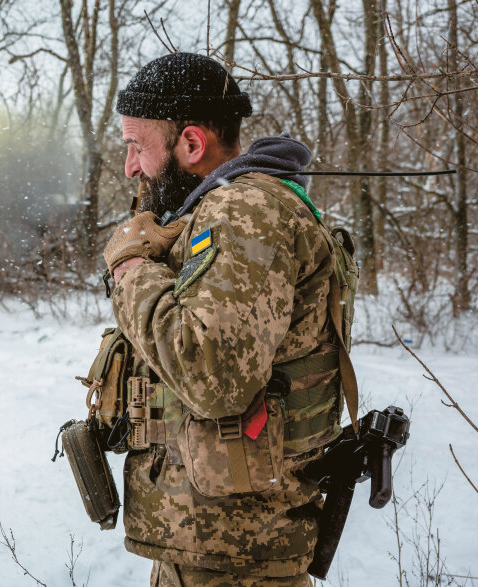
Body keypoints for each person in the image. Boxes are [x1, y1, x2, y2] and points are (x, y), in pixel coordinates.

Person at [102, 52, 346, 586]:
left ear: (191, 144)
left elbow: (213, 375)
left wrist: (131, 267)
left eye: (135, 147)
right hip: (214, 547)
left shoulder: (245, 211)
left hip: (237, 558)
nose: (130, 168)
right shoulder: (218, 210)